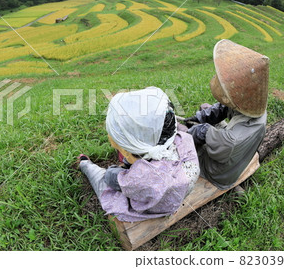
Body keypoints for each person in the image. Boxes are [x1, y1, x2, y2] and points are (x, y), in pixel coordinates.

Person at [78, 87, 200, 222]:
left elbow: (114, 179)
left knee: (104, 179)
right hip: (177, 194)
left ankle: (85, 164)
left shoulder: (140, 177)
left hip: (154, 206)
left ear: (127, 151)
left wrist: (112, 173)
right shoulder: (184, 140)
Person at [184, 39, 269, 190]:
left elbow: (214, 142)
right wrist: (200, 118)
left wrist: (194, 132)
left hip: (217, 173)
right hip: (233, 155)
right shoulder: (253, 108)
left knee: (188, 142)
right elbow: (224, 108)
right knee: (206, 109)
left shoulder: (232, 141)